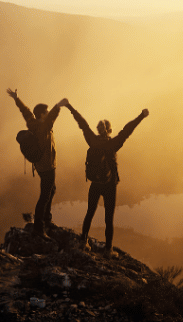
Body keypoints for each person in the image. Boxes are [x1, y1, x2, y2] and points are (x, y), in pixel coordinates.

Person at [64, 101, 149, 257]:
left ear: (98, 130)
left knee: (90, 212)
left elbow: (82, 123)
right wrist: (141, 116)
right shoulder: (113, 144)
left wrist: (69, 106)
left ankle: (83, 241)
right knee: (108, 218)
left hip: (95, 184)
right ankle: (108, 250)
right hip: (110, 185)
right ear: (109, 130)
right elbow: (127, 130)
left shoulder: (91, 140)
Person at [7, 88, 68, 238]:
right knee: (45, 195)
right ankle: (39, 228)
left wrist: (17, 98)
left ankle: (46, 220)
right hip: (48, 166)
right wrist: (59, 105)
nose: (48, 114)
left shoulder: (32, 124)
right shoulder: (44, 126)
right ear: (42, 115)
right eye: (46, 112)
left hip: (40, 166)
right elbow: (52, 115)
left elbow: (25, 111)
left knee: (51, 190)